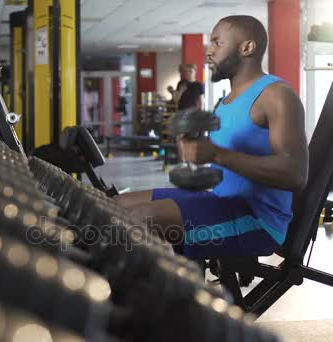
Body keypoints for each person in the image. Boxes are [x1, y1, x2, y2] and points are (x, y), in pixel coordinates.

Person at [116, 15, 309, 258]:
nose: (208, 51)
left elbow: (295, 174)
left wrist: (217, 154)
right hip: (220, 201)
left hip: (258, 221)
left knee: (141, 219)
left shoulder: (276, 95)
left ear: (247, 47)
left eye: (217, 43)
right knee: (118, 205)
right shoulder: (226, 101)